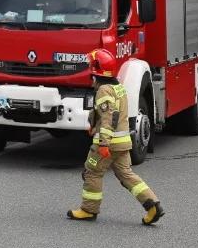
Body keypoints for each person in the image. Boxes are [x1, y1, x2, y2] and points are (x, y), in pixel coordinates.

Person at [68, 48, 163, 225]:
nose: (89, 71)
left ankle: (88, 210)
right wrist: (92, 122)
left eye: (91, 66)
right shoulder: (118, 87)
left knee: (92, 171)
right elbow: (113, 114)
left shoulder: (104, 90)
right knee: (127, 175)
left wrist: (103, 143)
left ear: (97, 70)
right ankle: (152, 205)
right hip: (123, 143)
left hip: (107, 144)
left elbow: (108, 117)